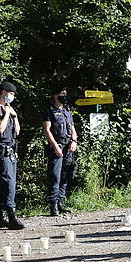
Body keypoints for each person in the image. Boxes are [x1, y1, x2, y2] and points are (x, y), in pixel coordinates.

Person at [0, 80, 25, 229]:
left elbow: (17, 131)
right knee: (8, 183)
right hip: (2, 150)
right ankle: (11, 215)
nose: (12, 97)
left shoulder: (9, 109)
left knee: (9, 184)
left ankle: (0, 217)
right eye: (11, 94)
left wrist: (14, 116)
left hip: (11, 151)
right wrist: (7, 114)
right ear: (4, 92)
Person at [43, 84, 78, 216]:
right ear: (55, 95)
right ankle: (53, 205)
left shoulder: (67, 111)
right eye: (62, 93)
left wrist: (74, 141)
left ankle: (61, 202)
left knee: (65, 176)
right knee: (55, 176)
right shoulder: (49, 111)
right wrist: (55, 146)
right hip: (56, 147)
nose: (65, 96)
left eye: (65, 93)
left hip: (68, 147)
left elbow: (73, 129)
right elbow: (47, 130)